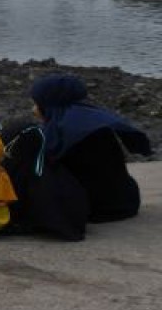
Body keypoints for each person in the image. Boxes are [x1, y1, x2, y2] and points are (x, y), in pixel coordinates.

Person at [29, 74, 151, 222]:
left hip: (92, 209)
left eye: (37, 104)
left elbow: (43, 168)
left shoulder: (62, 133)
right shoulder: (91, 121)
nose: (33, 109)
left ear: (49, 105)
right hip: (125, 203)